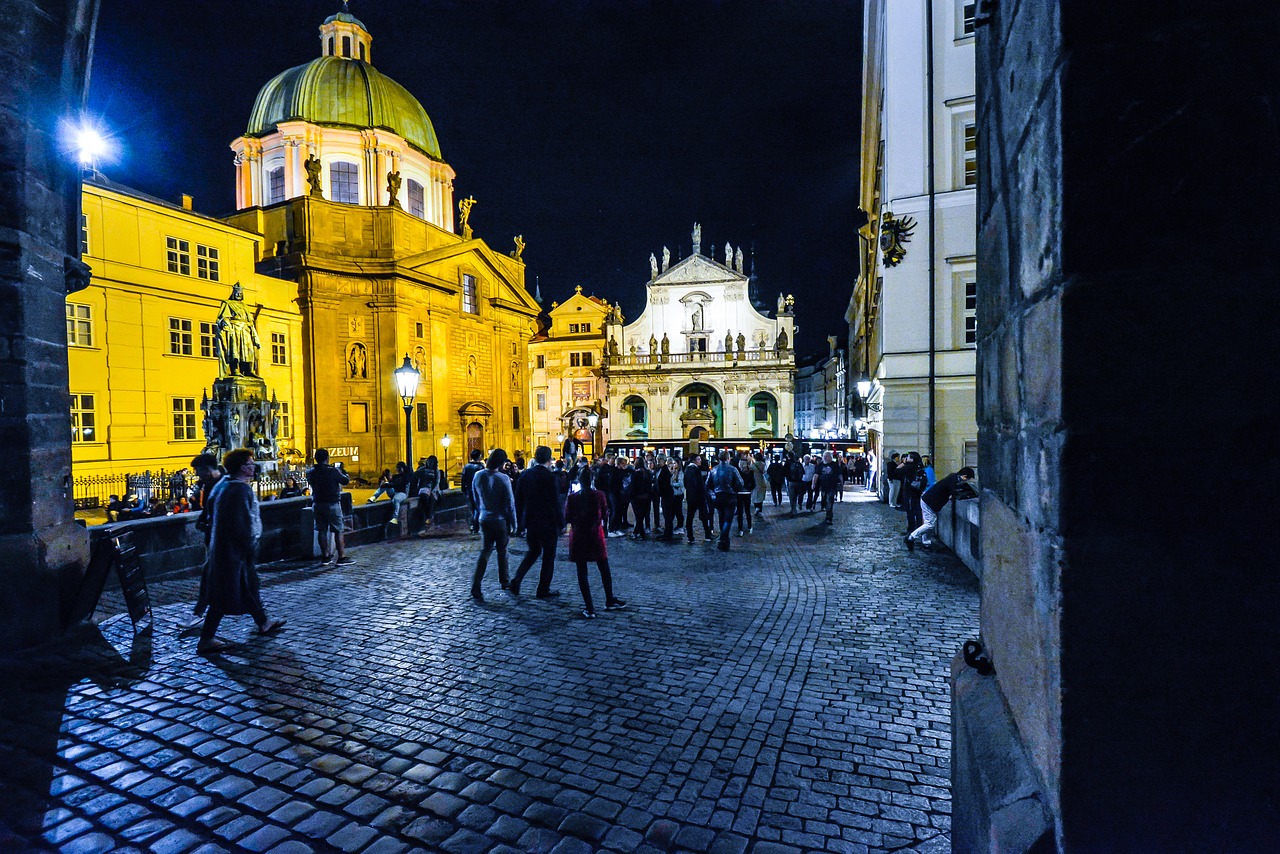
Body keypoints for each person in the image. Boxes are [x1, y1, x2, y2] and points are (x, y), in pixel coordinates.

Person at [197, 448, 286, 654]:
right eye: (249, 464)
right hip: (234, 551)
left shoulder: (224, 485)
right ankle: (206, 638)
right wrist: (248, 547)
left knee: (248, 587)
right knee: (224, 595)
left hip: (225, 549)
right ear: (241, 468)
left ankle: (263, 621)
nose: (253, 467)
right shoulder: (240, 490)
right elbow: (242, 523)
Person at [564, 468, 626, 618]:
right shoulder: (599, 495)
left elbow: (567, 517)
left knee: (582, 572)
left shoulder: (573, 498)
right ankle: (609, 599)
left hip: (579, 536)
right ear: (592, 480)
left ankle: (589, 607)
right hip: (595, 535)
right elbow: (605, 513)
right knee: (604, 568)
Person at [511, 445, 564, 599]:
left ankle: (517, 579)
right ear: (549, 460)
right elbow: (556, 502)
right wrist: (561, 523)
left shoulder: (525, 475)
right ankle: (543, 588)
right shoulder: (550, 477)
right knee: (548, 555)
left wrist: (520, 523)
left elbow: (518, 500)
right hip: (548, 521)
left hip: (531, 521)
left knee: (533, 551)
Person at [470, 448, 516, 602]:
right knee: (502, 552)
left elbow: (475, 498)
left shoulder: (478, 476)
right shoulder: (503, 478)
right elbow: (510, 503)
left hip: (484, 517)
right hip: (500, 519)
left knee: (485, 552)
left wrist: (480, 513)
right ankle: (504, 581)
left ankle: (476, 585)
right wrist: (514, 523)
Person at [907, 466, 977, 551]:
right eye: (967, 478)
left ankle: (926, 543)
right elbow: (954, 493)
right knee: (929, 524)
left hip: (929, 501)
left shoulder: (953, 477)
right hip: (929, 502)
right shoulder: (953, 480)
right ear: (964, 476)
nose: (966, 480)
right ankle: (911, 537)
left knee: (928, 523)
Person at [306, 448, 351, 565]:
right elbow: (345, 481)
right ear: (327, 458)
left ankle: (325, 556)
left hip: (317, 503)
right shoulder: (333, 471)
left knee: (322, 530)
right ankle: (341, 557)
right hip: (332, 503)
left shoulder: (310, 472)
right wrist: (342, 471)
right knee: (338, 530)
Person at [707, 451, 745, 551]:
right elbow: (740, 483)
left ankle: (724, 541)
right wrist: (736, 489)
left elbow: (707, 484)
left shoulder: (713, 470)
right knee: (728, 519)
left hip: (717, 496)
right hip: (730, 496)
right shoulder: (733, 469)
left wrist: (713, 493)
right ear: (728, 458)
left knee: (721, 518)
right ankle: (723, 539)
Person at [683, 454, 712, 544]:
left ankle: (690, 536)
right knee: (704, 515)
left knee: (690, 516)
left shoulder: (687, 469)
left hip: (690, 497)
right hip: (699, 497)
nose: (700, 461)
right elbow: (699, 485)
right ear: (694, 461)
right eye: (698, 459)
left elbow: (686, 483)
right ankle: (707, 534)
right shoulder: (695, 470)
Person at [412, 456, 443, 534]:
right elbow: (414, 476)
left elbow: (437, 482)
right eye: (429, 461)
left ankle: (429, 517)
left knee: (432, 500)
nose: (430, 463)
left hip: (433, 489)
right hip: (424, 488)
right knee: (425, 498)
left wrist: (433, 490)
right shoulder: (422, 470)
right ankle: (427, 518)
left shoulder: (436, 471)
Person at [900, 452, 927, 537]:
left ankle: (912, 529)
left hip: (910, 492)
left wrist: (903, 464)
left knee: (911, 512)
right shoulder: (920, 467)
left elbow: (897, 472)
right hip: (916, 492)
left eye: (908, 457)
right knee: (917, 511)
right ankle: (917, 529)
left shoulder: (910, 467)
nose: (906, 459)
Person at [659, 458, 685, 540]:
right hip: (671, 495)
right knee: (670, 514)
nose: (673, 465)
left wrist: (672, 484)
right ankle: (669, 531)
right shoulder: (670, 472)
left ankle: (671, 531)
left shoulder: (677, 473)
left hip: (674, 494)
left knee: (674, 513)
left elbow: (680, 483)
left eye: (674, 463)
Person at [814, 451, 843, 525]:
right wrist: (813, 483)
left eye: (827, 456)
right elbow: (816, 475)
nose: (825, 458)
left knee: (830, 500)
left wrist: (841, 483)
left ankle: (829, 516)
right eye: (824, 456)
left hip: (832, 486)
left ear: (830, 457)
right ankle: (828, 512)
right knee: (824, 499)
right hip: (823, 486)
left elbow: (839, 474)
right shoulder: (820, 465)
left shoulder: (834, 465)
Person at [460, 449, 485, 534]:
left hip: (469, 489)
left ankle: (472, 525)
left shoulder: (467, 466)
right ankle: (475, 526)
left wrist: (463, 489)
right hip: (479, 490)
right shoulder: (481, 466)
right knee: (478, 508)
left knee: (471, 508)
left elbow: (463, 478)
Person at [628, 456, 653, 540]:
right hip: (646, 497)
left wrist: (630, 495)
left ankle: (638, 533)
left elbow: (632, 486)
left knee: (638, 516)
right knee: (641, 516)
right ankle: (640, 533)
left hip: (636, 497)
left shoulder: (635, 474)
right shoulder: (647, 473)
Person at [735, 455, 755, 535]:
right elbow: (753, 484)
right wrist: (749, 489)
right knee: (747, 511)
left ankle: (740, 530)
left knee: (740, 512)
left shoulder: (738, 472)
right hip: (747, 493)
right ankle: (750, 527)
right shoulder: (750, 472)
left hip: (739, 493)